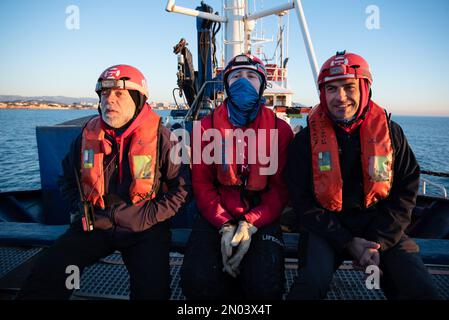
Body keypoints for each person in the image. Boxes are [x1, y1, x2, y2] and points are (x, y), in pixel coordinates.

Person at [18, 64, 191, 300]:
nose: (109, 100)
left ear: (138, 99)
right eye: (105, 94)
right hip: (95, 225)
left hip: (144, 229)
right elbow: (68, 178)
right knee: (50, 272)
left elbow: (182, 189)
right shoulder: (86, 136)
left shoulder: (164, 139)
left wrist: (150, 217)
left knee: (151, 291)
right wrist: (81, 208)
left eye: (119, 94)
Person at [285, 51, 440, 300]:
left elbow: (406, 188)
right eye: (331, 89)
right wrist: (347, 241)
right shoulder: (305, 141)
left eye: (349, 87)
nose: (340, 97)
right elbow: (301, 200)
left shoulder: (390, 133)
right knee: (310, 285)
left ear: (365, 88)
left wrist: (380, 241)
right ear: (322, 94)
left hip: (380, 225)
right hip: (326, 226)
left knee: (417, 285)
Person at [181, 53, 294, 299]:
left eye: (251, 76)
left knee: (264, 286)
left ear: (262, 84)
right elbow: (202, 183)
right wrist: (224, 223)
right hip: (217, 212)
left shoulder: (280, 130)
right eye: (236, 76)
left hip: (261, 214)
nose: (243, 81)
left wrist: (252, 222)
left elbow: (280, 189)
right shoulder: (206, 128)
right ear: (227, 84)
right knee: (198, 281)